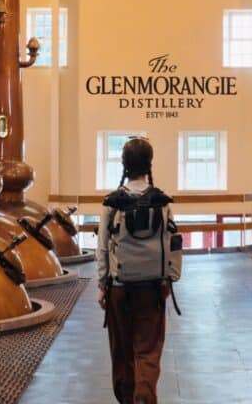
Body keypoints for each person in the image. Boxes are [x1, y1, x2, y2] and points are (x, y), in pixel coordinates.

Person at [97, 137, 180, 404]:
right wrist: (170, 278)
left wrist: (102, 285)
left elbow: (101, 247)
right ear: (149, 165)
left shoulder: (112, 203)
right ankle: (144, 399)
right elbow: (174, 241)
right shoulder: (162, 201)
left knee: (121, 351)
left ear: (124, 164)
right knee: (147, 350)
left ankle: (126, 400)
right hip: (154, 287)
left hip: (119, 287)